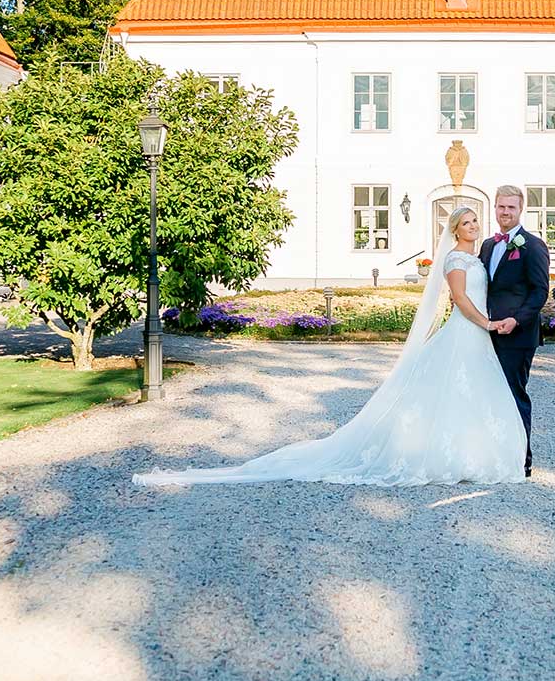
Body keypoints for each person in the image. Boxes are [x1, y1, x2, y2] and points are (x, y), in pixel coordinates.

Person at [132, 206, 527, 487]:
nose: (474, 226)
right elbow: (459, 300)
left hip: (475, 337)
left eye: (476, 220)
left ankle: (468, 452)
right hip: (466, 331)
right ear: (455, 229)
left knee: (467, 396)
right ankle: (444, 455)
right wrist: (488, 323)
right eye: (467, 222)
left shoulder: (481, 255)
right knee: (451, 392)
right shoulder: (457, 260)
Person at [479, 184, 551, 476]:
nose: (505, 212)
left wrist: (517, 320)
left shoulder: (532, 245)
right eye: (501, 206)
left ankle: (522, 461)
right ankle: (494, 454)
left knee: (513, 394)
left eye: (511, 207)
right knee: (489, 394)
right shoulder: (487, 245)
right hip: (486, 332)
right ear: (494, 208)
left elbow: (539, 292)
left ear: (520, 210)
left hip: (517, 335)